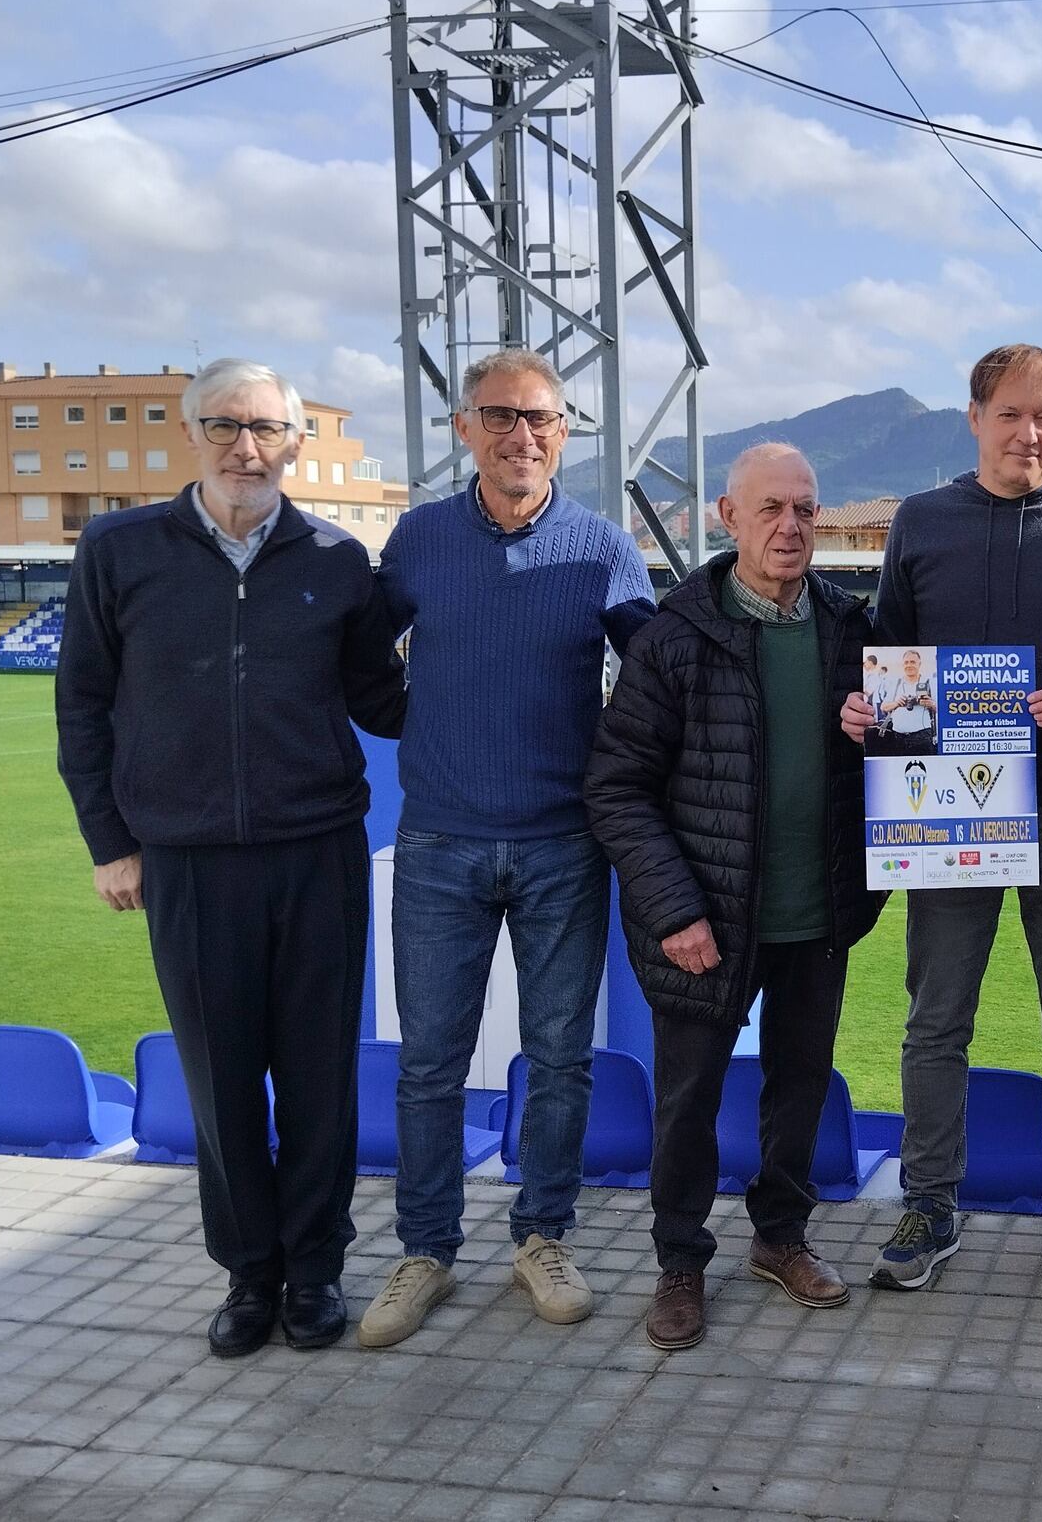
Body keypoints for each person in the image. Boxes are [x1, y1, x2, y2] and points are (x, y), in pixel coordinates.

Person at [55, 357, 407, 1356]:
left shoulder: (339, 559)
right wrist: (111, 842)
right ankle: (250, 1275)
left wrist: (487, 672)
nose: (246, 447)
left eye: (265, 429)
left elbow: (382, 702)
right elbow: (81, 705)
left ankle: (315, 1272)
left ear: (297, 442)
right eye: (225, 426)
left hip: (319, 855)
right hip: (187, 862)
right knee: (219, 1080)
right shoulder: (121, 550)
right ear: (191, 433)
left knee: (317, 1079)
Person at [841, 342, 1042, 1299]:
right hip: (941, 816)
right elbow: (887, 653)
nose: (1032, 433)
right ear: (974, 418)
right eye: (1014, 414)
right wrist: (866, 711)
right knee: (937, 1021)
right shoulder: (923, 522)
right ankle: (930, 1202)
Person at [358, 347, 656, 1349]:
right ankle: (426, 1251)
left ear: (563, 432)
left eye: (538, 418)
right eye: (498, 416)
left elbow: (653, 683)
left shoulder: (603, 549)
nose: (519, 435)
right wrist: (414, 722)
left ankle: (542, 1237)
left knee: (561, 1059)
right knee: (429, 1066)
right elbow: (360, 654)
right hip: (438, 841)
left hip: (562, 846)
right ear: (463, 428)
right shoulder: (420, 539)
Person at [587, 443, 885, 1351]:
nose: (790, 527)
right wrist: (675, 910)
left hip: (816, 914)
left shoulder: (851, 629)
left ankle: (781, 1238)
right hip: (706, 921)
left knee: (797, 1089)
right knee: (688, 1101)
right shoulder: (675, 635)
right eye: (770, 510)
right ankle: (680, 1263)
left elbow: (901, 763)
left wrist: (878, 741)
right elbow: (617, 786)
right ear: (727, 515)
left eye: (805, 509)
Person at [866, 648, 937, 755]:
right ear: (903, 665)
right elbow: (883, 707)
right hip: (897, 737)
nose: (909, 665)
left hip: (923, 738)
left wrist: (931, 704)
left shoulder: (929, 682)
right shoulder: (896, 683)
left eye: (913, 662)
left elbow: (942, 709)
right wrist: (897, 703)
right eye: (906, 662)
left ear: (919, 664)